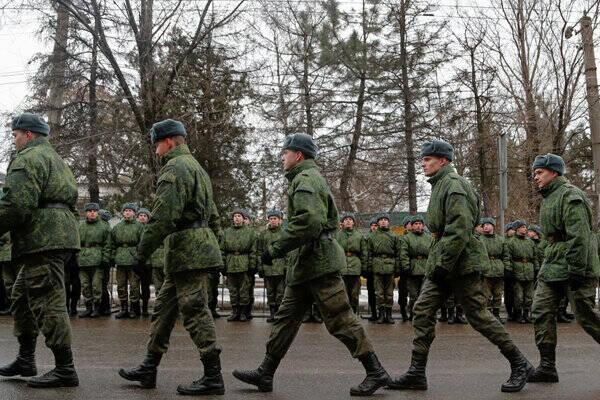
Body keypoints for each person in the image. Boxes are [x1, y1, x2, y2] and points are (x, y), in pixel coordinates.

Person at [233, 133, 390, 396]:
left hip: (319, 263)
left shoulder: (305, 179)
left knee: (340, 318)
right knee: (285, 319)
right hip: (306, 264)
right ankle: (266, 372)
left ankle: (376, 371)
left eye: (286, 152)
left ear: (299, 155)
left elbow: (308, 222)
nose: (282, 157)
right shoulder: (303, 178)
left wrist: (275, 249)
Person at [388, 140, 533, 393]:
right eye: (422, 159)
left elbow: (459, 230)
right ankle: (416, 373)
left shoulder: (454, 186)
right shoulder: (440, 185)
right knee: (422, 311)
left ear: (442, 161)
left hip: (461, 262)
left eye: (427, 159)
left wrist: (442, 264)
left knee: (478, 315)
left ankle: (520, 364)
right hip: (445, 261)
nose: (422, 163)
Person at [118, 119, 225, 395]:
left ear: (168, 142)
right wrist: (215, 247)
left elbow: (162, 217)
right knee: (163, 311)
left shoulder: (175, 168)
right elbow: (213, 216)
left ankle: (213, 376)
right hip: (193, 251)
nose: (156, 152)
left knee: (195, 312)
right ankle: (149, 368)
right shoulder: (198, 169)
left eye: (156, 146)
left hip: (189, 252)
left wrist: (142, 252)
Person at [0, 113, 80, 387]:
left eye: (15, 134)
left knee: (48, 301)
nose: (14, 140)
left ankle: (65, 368)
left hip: (43, 239)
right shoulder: (55, 158)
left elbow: (17, 205)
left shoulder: (28, 158)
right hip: (55, 236)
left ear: (28, 135)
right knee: (22, 296)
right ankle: (26, 358)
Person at [528, 153, 600, 384]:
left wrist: (578, 270)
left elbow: (579, 237)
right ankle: (547, 366)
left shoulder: (571, 196)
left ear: (554, 172)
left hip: (574, 267)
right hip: (553, 266)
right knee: (540, 311)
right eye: (535, 173)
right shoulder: (550, 196)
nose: (535, 177)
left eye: (539, 172)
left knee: (586, 316)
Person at [220, 210, 257, 322]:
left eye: (239, 216)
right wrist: (223, 265)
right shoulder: (226, 233)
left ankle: (243, 313)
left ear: (243, 218)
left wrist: (252, 266)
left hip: (244, 263)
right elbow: (222, 250)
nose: (236, 218)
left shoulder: (250, 233)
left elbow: (253, 251)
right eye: (235, 216)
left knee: (244, 290)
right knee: (233, 290)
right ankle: (235, 311)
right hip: (231, 264)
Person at [77, 202, 111, 318]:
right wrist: (77, 257)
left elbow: (107, 244)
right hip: (83, 258)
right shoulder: (80, 227)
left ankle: (97, 307)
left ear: (97, 212)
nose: (92, 213)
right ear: (86, 213)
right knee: (85, 285)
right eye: (90, 211)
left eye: (94, 211)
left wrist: (105, 259)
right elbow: (76, 243)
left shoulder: (103, 227)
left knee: (96, 285)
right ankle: (88, 307)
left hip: (97, 259)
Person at [111, 203, 144, 318]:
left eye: (130, 210)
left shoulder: (140, 227)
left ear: (134, 213)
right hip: (120, 259)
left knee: (134, 285)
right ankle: (123, 308)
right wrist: (113, 257)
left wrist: (139, 258)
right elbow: (112, 244)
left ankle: (134, 309)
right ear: (123, 212)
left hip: (133, 260)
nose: (128, 212)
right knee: (121, 285)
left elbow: (142, 243)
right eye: (126, 211)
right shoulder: (117, 227)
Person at [368, 213, 401, 324]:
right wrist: (369, 267)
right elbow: (368, 253)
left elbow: (398, 253)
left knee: (389, 293)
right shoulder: (372, 236)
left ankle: (389, 314)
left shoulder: (394, 235)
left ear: (388, 222)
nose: (383, 221)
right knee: (379, 293)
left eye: (385, 220)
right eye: (381, 220)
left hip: (390, 266)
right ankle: (381, 315)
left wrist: (397, 268)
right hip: (377, 266)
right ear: (378, 223)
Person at [504, 220, 538, 324]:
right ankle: (518, 315)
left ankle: (526, 314)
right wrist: (508, 270)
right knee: (518, 297)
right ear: (517, 228)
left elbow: (535, 257)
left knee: (529, 296)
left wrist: (536, 269)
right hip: (517, 271)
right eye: (523, 227)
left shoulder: (530, 242)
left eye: (525, 227)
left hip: (529, 271)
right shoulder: (510, 242)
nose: (525, 229)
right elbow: (507, 258)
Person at [334, 212, 367, 314]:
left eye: (350, 219)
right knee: (342, 292)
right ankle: (344, 314)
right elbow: (334, 252)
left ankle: (353, 312)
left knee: (354, 293)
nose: (348, 221)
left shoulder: (359, 236)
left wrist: (364, 268)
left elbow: (364, 253)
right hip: (341, 267)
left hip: (355, 267)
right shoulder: (337, 236)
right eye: (345, 220)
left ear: (353, 222)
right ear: (342, 223)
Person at [399, 215, 431, 321]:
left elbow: (432, 254)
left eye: (420, 224)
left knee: (425, 294)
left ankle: (425, 315)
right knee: (413, 295)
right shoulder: (406, 238)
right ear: (412, 226)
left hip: (425, 269)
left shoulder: (429, 238)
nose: (418, 226)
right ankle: (413, 314)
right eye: (415, 224)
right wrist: (406, 267)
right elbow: (404, 254)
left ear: (423, 225)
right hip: (412, 270)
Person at [258, 210, 287, 322]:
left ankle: (279, 313)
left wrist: (286, 268)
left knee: (281, 292)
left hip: (280, 267)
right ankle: (272, 313)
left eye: (275, 218)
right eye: (271, 219)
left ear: (280, 220)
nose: (273, 221)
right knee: (270, 292)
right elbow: (259, 252)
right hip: (268, 267)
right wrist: (260, 268)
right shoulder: (263, 235)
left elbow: (289, 252)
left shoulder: (285, 234)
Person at [480, 218, 506, 323]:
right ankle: (487, 315)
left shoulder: (500, 240)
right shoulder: (480, 240)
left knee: (498, 294)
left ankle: (496, 314)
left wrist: (506, 268)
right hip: (486, 270)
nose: (485, 226)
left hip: (498, 269)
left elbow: (506, 255)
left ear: (493, 226)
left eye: (487, 224)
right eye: (484, 225)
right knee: (486, 294)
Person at [137, 208, 153, 317]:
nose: (142, 217)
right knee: (134, 285)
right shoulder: (135, 228)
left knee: (145, 286)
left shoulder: (150, 228)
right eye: (140, 215)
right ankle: (136, 307)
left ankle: (145, 308)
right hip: (137, 260)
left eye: (145, 215)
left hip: (148, 261)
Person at [98, 209, 113, 315]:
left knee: (102, 284)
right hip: (102, 259)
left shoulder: (105, 229)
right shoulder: (106, 228)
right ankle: (103, 307)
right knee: (101, 284)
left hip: (104, 260)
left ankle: (105, 306)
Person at [364, 218, 379, 321]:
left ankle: (381, 313)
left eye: (376, 225)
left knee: (380, 292)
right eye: (372, 225)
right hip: (370, 269)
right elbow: (365, 254)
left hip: (380, 268)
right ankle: (373, 313)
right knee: (371, 292)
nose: (374, 227)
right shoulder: (366, 238)